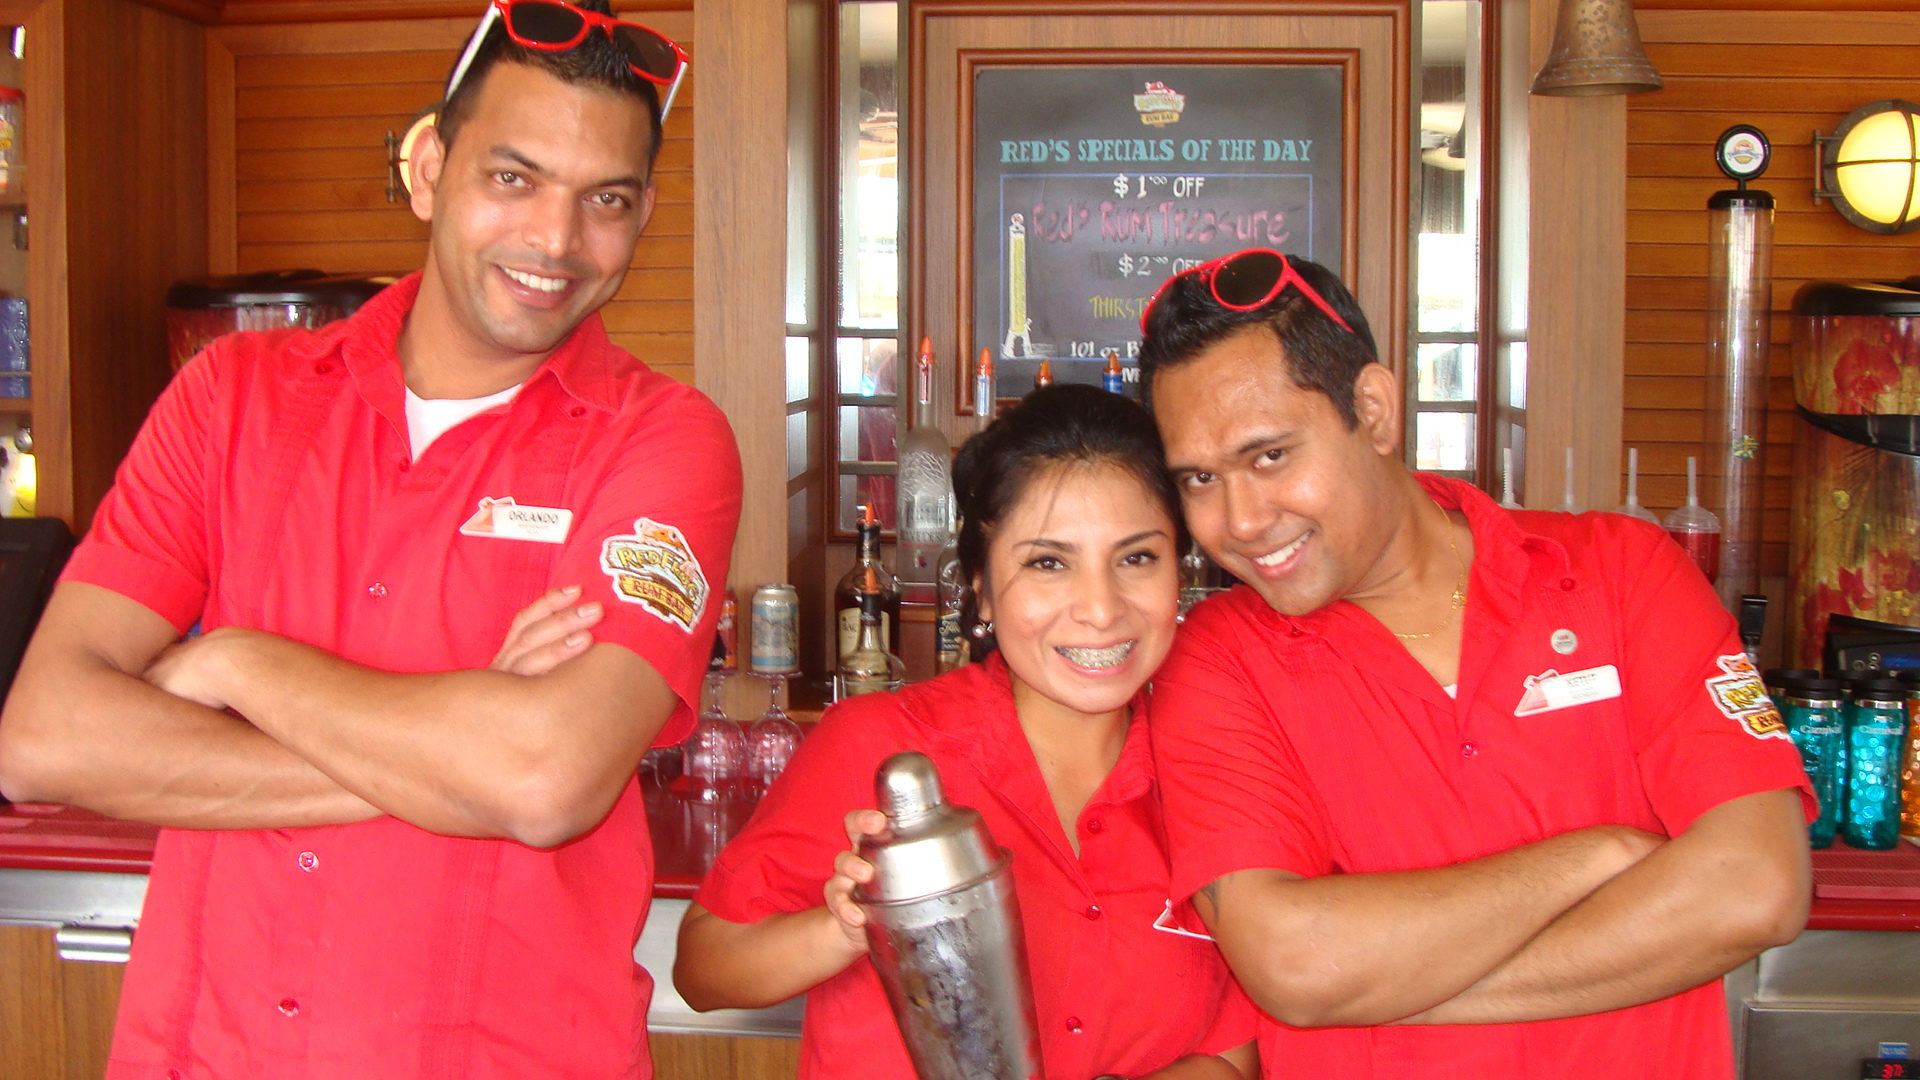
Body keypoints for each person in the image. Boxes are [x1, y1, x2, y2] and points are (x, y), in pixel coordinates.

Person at [0, 4, 739, 1078]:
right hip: (206, 1053)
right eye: (513, 178)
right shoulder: (230, 400)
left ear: (644, 215)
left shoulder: (666, 444)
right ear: (430, 168)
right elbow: (44, 739)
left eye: (606, 201)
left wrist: (236, 664)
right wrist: (453, 749)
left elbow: (544, 777)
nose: (556, 241)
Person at [1135, 248, 1814, 1079]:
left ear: (1375, 411)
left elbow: (1757, 887)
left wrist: (1382, 985)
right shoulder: (1215, 661)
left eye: (1270, 455)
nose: (1239, 520)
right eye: (1199, 478)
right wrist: (1594, 858)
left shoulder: (1623, 573)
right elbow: (1296, 965)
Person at [675, 384, 1256, 1080]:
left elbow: (1229, 1054)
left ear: (1181, 573)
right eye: (1048, 562)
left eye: (1137, 558)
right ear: (979, 585)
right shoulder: (880, 746)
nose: (1101, 609)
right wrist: (847, 926)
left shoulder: (1213, 773)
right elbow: (703, 972)